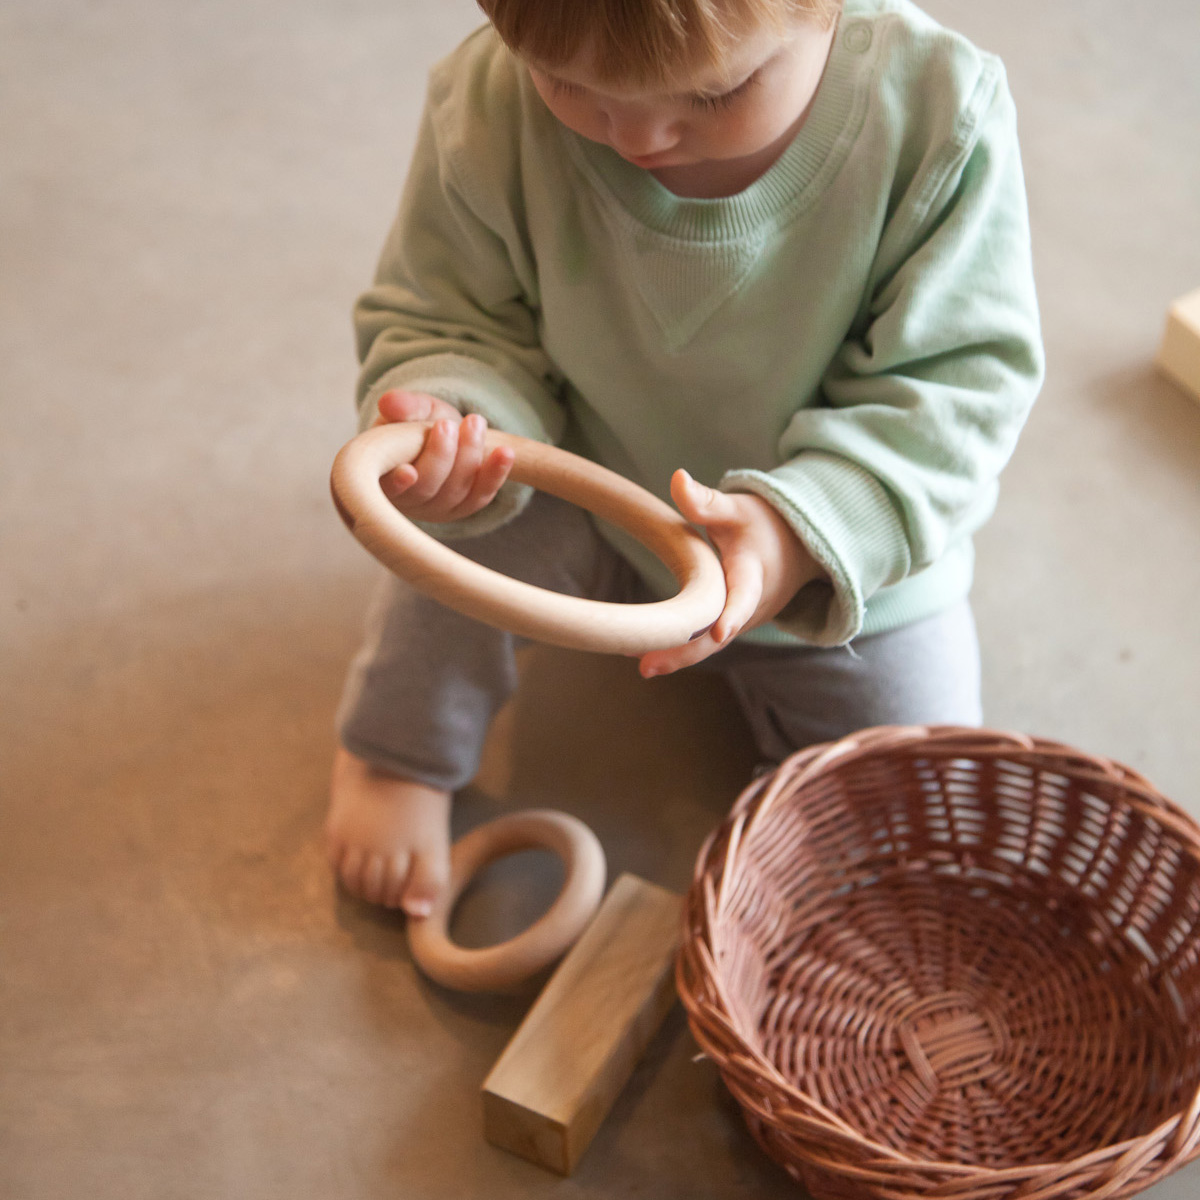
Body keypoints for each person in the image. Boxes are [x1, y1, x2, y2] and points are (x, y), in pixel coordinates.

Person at [325, 0, 1044, 916]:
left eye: (718, 90)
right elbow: (447, 315)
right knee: (446, 567)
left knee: (920, 815)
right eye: (569, 82)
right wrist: (458, 418)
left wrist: (798, 535)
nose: (636, 134)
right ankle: (396, 759)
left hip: (831, 556)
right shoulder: (490, 103)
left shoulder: (939, 116)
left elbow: (954, 393)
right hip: (590, 487)